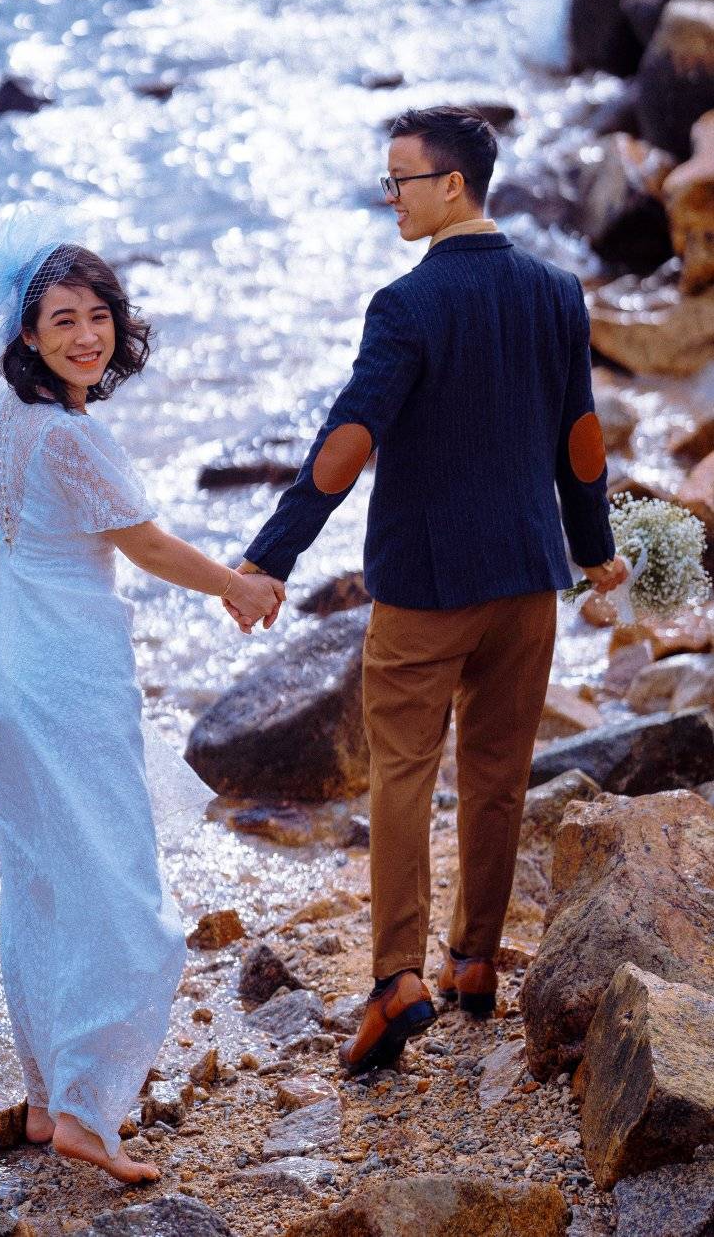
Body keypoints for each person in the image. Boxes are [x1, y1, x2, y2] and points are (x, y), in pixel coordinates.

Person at [233, 106, 628, 1075]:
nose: (389, 199)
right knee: (497, 775)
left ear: (451, 185)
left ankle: (395, 981)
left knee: (405, 772)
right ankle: (475, 961)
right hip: (527, 581)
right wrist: (594, 551)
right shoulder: (556, 292)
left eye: (398, 181)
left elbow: (348, 440)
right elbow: (579, 438)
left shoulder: (405, 305)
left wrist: (271, 557)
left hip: (425, 588)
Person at [0, 206, 280, 1182]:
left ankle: (50, 1099)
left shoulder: (6, 415)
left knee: (42, 888)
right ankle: (89, 1112)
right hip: (66, 688)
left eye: (98, 315)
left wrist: (32, 556)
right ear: (28, 336)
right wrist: (241, 587)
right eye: (63, 321)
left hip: (5, 680)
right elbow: (149, 546)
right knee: (126, 907)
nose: (87, 336)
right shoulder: (73, 439)